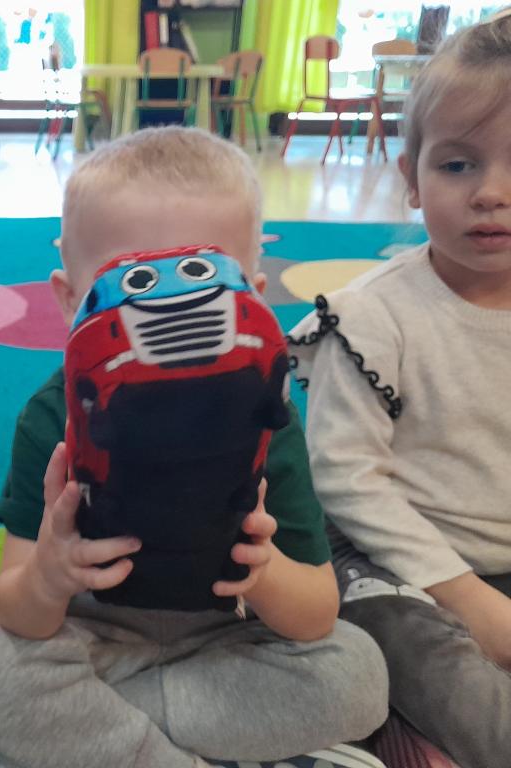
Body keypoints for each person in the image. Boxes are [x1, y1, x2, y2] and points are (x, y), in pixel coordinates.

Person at [0, 126, 388, 768]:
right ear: (68, 300)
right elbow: (18, 611)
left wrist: (264, 572)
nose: (167, 311)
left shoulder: (269, 414)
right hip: (97, 642)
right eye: (128, 283)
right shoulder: (51, 416)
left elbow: (316, 613)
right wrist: (49, 574)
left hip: (227, 643)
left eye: (204, 278)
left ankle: (99, 742)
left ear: (254, 295)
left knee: (359, 671)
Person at [290, 10, 511, 768]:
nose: (491, 193)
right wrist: (468, 596)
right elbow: (346, 479)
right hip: (394, 562)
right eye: (458, 165)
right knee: (404, 645)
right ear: (412, 178)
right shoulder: (370, 316)